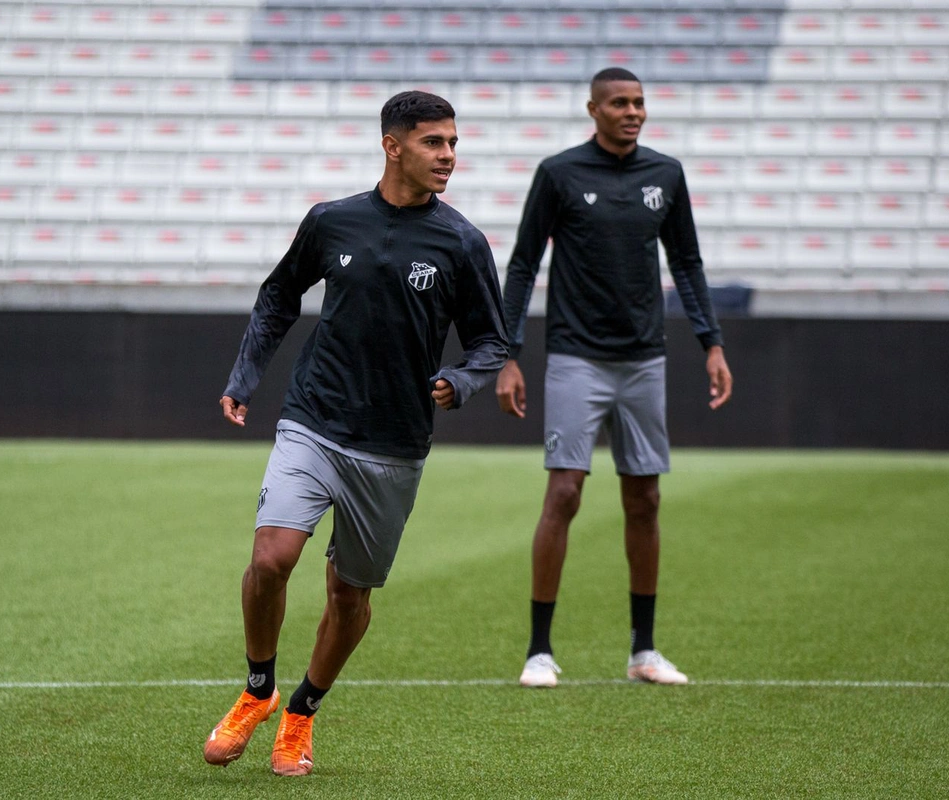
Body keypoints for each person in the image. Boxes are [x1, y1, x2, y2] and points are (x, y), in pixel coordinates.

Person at [203, 90, 508, 776]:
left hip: (393, 445)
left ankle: (303, 711)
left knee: (350, 594)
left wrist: (460, 381)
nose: (449, 157)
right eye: (435, 143)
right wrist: (245, 375)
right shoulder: (332, 221)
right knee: (271, 558)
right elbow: (280, 294)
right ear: (392, 145)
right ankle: (257, 691)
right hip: (314, 418)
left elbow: (492, 341)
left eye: (454, 143)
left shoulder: (462, 242)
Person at [497, 67, 733, 689]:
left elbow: (686, 260)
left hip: (644, 359)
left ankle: (643, 651)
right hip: (576, 356)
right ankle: (539, 650)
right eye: (620, 103)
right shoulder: (559, 174)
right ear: (593, 109)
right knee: (565, 492)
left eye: (640, 102)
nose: (633, 112)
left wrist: (712, 343)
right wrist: (507, 352)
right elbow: (523, 264)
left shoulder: (667, 175)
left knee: (645, 498)